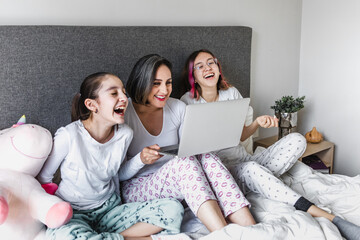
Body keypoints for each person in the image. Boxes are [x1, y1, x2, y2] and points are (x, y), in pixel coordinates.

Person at [180, 49, 360, 240]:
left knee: (297, 140)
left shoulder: (231, 93)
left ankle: (259, 181)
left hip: (246, 159)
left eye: (211, 62)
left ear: (218, 67)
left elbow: (241, 135)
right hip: (224, 172)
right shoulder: (188, 102)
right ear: (193, 76)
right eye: (200, 66)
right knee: (251, 169)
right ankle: (326, 216)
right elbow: (189, 149)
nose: (207, 68)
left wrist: (257, 122)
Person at [37, 72, 184, 240]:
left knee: (173, 209)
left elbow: (118, 174)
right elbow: (44, 178)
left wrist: (141, 160)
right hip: (74, 213)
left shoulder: (125, 135)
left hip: (110, 211)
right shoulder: (68, 136)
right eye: (114, 93)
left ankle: (112, 237)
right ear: (92, 105)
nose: (123, 98)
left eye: (123, 92)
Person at [120, 54, 256, 233]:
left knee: (207, 156)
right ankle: (223, 235)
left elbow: (192, 151)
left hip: (179, 182)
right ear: (141, 81)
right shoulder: (123, 114)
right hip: (138, 187)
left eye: (168, 83)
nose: (164, 90)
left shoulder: (177, 107)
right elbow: (118, 175)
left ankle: (254, 230)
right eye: (156, 83)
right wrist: (140, 159)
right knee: (183, 163)